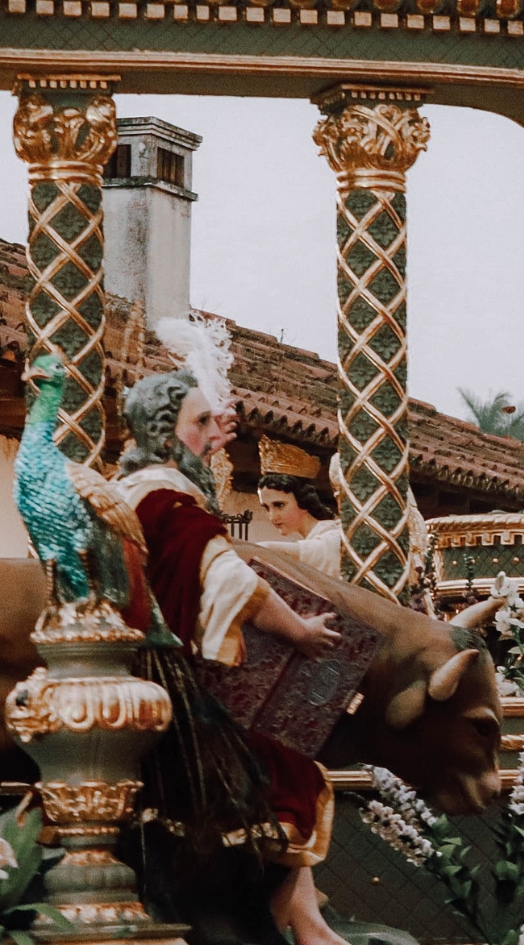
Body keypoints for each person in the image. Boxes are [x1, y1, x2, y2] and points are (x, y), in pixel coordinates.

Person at [114, 370, 347, 945]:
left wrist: (212, 424)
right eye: (198, 424)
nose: (212, 436)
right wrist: (300, 633)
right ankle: (299, 916)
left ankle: (302, 912)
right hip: (169, 679)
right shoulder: (173, 505)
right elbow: (233, 585)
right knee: (288, 770)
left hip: (120, 673)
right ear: (165, 434)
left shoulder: (125, 491)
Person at [254, 436, 342, 575]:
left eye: (279, 505)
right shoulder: (314, 536)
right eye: (266, 508)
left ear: (304, 501)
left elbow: (269, 548)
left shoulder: (332, 537)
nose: (272, 516)